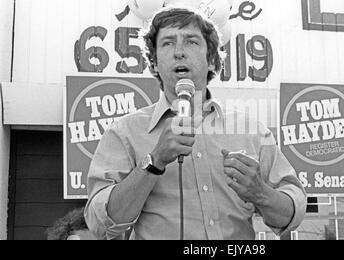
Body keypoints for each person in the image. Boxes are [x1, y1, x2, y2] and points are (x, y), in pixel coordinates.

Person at [84, 6, 307, 240]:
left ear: (211, 60)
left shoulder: (252, 131)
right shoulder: (124, 132)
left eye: (191, 41)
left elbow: (292, 215)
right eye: (168, 43)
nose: (179, 52)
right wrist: (154, 161)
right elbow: (100, 223)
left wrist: (260, 193)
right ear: (155, 63)